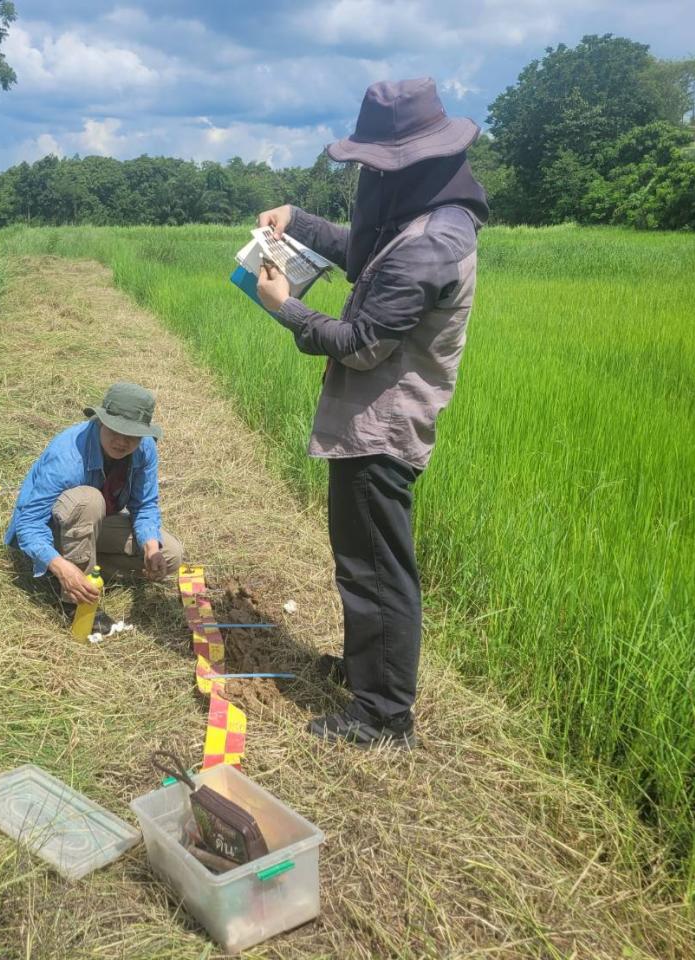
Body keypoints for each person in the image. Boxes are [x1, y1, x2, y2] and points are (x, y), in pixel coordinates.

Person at [253, 78, 489, 749]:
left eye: (376, 166)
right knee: (360, 562)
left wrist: (284, 308)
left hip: (381, 426)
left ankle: (383, 715)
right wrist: (295, 219)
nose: (370, 178)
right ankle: (368, 676)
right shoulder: (426, 212)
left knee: (378, 570)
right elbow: (363, 250)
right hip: (372, 419)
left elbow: (360, 346)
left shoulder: (428, 244)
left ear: (409, 162)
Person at [5, 382, 185, 630]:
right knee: (89, 500)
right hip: (53, 529)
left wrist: (150, 547)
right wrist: (60, 565)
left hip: (91, 526)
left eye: (131, 435)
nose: (122, 442)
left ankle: (81, 572)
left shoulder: (145, 449)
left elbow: (144, 505)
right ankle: (73, 599)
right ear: (101, 421)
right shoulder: (68, 455)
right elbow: (28, 524)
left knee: (170, 555)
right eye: (115, 431)